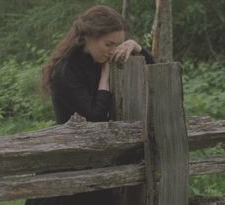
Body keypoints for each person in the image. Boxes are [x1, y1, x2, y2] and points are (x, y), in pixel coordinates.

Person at [25, 4, 154, 205]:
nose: (113, 51)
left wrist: (137, 48)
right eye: (109, 44)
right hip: (69, 164)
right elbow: (94, 117)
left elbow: (155, 78)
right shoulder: (66, 70)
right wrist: (105, 78)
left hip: (98, 160)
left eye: (118, 44)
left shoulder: (104, 58)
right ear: (88, 37)